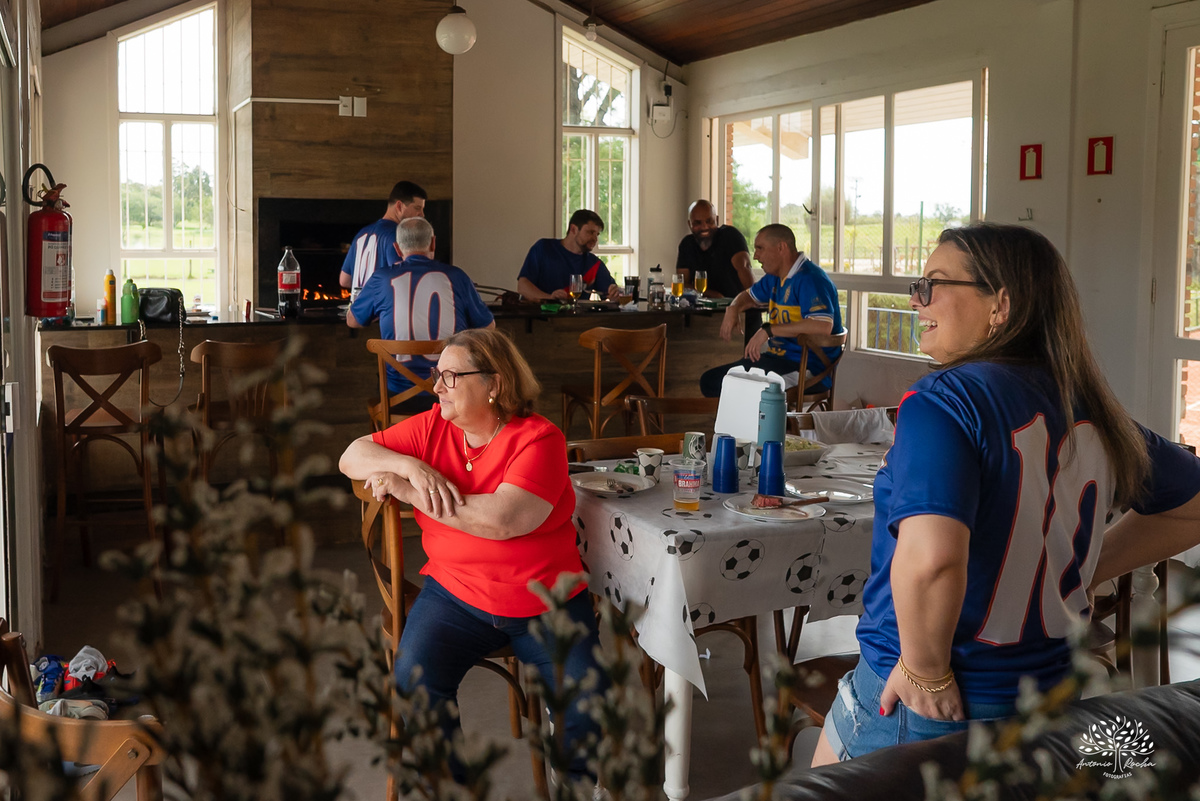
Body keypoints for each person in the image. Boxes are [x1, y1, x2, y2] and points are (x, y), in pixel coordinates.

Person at [812, 223, 1200, 766]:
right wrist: (1085, 570)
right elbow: (1192, 508)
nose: (915, 298)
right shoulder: (1094, 410)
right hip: (1048, 702)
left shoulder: (943, 402)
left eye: (934, 283)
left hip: (928, 702)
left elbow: (930, 561)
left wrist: (925, 668)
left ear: (1001, 305)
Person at [338, 327, 606, 780]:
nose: (436, 386)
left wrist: (409, 491)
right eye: (436, 375)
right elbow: (351, 456)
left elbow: (503, 520)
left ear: (494, 383)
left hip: (545, 599)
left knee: (586, 696)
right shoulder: (432, 426)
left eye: (450, 377)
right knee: (413, 682)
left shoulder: (540, 440)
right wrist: (411, 465)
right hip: (455, 594)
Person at [347, 217, 494, 414]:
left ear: (397, 249)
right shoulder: (458, 277)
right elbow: (488, 327)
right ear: (433, 242)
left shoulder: (381, 279)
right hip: (448, 398)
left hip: (397, 400)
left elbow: (353, 320)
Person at [699, 223, 842, 398]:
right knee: (711, 380)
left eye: (760, 248)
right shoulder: (774, 277)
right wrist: (733, 307)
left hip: (807, 367)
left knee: (742, 390)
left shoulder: (811, 279)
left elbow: (822, 326)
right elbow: (748, 296)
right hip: (777, 360)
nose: (755, 256)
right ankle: (751, 425)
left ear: (781, 247)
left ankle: (773, 426)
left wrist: (768, 330)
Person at [675, 200, 759, 342]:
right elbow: (681, 284)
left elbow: (745, 270)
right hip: (705, 319)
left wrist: (749, 303)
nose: (704, 227)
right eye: (698, 223)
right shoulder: (687, 244)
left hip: (741, 315)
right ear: (689, 224)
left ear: (717, 220)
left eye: (709, 221)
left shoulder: (730, 236)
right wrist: (713, 294)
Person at [339, 180, 428, 291]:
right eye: (417, 208)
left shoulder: (361, 233)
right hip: (381, 307)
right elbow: (403, 280)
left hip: (357, 306)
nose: (422, 215)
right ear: (399, 206)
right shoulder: (398, 234)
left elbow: (344, 280)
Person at [517, 209, 621, 302]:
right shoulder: (544, 248)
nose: (595, 239)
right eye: (590, 232)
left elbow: (612, 292)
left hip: (578, 322)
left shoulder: (594, 264)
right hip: (541, 319)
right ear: (573, 229)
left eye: (597, 234)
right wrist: (550, 298)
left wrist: (615, 293)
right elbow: (523, 286)